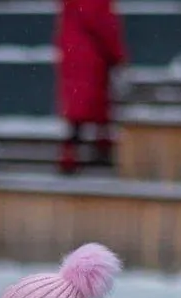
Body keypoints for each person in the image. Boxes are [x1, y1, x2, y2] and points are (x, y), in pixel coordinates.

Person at [54, 0, 126, 175]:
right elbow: (105, 27)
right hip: (92, 57)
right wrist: (117, 55)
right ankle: (102, 147)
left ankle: (70, 154)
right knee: (97, 103)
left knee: (76, 109)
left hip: (72, 53)